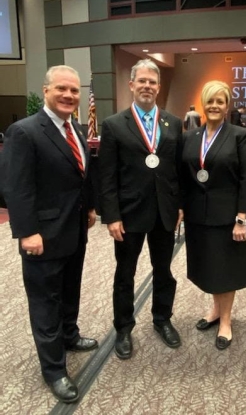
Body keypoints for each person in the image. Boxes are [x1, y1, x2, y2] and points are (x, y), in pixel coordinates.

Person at [2, 66, 98, 402]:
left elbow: (81, 176)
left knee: (70, 289)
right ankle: (54, 370)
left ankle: (69, 336)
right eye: (62, 89)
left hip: (74, 231)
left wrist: (89, 208)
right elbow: (16, 187)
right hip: (41, 236)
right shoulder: (24, 132)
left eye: (74, 90)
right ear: (46, 91)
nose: (70, 95)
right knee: (45, 302)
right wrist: (27, 232)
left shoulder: (78, 129)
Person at [98, 59, 183, 360]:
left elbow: (178, 169)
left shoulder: (173, 123)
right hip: (129, 214)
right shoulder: (113, 125)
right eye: (142, 81)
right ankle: (123, 328)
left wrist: (180, 205)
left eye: (152, 82)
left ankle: (162, 319)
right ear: (131, 85)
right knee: (125, 274)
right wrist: (111, 215)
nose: (147, 86)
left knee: (164, 271)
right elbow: (106, 175)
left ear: (159, 87)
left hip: (164, 212)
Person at [181, 80, 246, 350]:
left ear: (227, 106)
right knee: (209, 267)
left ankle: (226, 320)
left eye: (220, 101)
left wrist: (242, 218)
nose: (215, 106)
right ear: (203, 104)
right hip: (198, 217)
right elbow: (185, 177)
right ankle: (215, 310)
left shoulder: (240, 135)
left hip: (228, 218)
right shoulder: (190, 137)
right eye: (210, 101)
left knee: (226, 269)